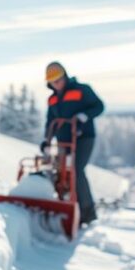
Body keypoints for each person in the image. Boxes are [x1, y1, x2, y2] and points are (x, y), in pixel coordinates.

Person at [41, 61, 104, 226]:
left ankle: (88, 213)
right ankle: (66, 204)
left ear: (65, 77)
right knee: (62, 172)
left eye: (59, 80)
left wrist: (84, 116)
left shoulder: (82, 90)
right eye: (53, 82)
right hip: (63, 140)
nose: (57, 84)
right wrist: (46, 141)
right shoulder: (53, 99)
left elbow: (99, 106)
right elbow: (50, 122)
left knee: (76, 170)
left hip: (83, 138)